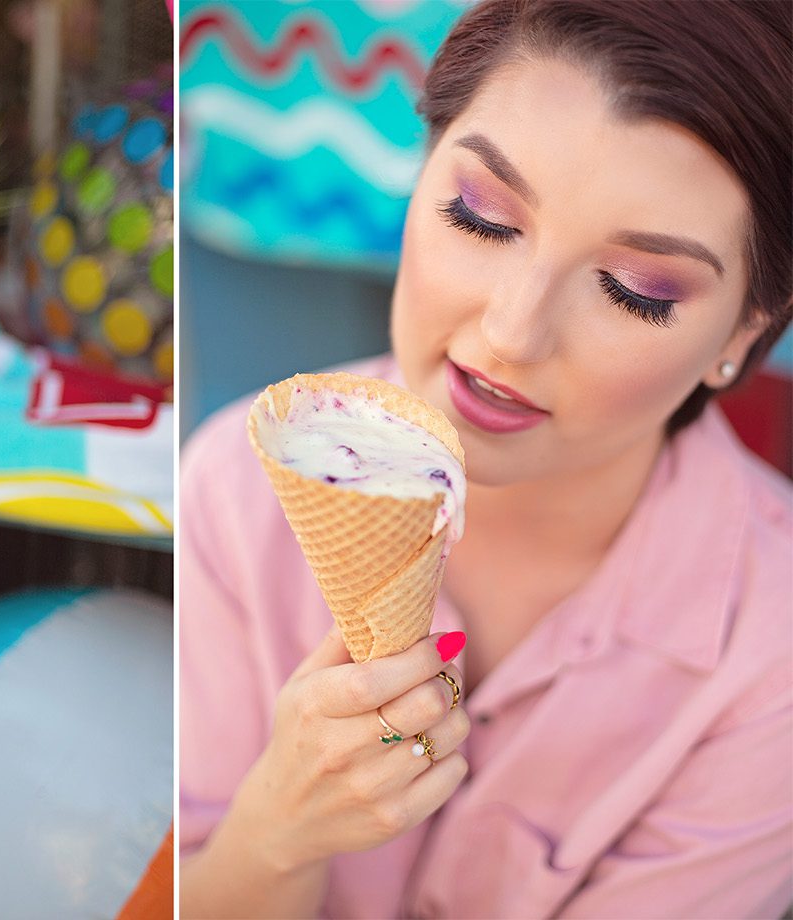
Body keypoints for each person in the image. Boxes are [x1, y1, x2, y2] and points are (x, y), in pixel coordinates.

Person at [177, 1, 793, 916]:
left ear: (741, 334)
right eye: (480, 216)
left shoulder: (770, 648)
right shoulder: (240, 485)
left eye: (637, 291)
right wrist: (278, 830)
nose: (513, 332)